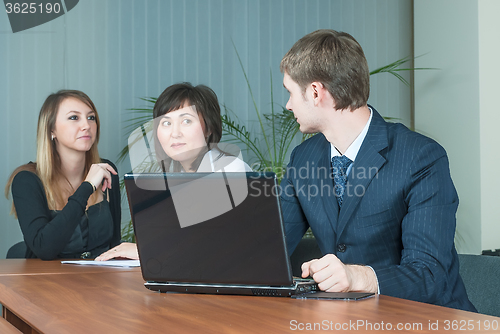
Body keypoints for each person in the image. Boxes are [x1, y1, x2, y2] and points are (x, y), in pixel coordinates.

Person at [279, 29, 476, 311]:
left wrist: (356, 276)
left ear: (314, 92)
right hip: (347, 319)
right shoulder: (303, 159)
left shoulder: (421, 158)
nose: (288, 105)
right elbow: (268, 249)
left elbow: (430, 274)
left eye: (290, 92)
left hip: (428, 319)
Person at [96, 83, 251, 261]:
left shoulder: (230, 169)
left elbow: (218, 246)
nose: (175, 133)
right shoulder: (170, 177)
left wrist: (146, 251)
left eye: (186, 121)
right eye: (166, 123)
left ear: (208, 128)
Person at [5, 90, 121, 260]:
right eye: (74, 117)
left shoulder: (105, 170)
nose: (86, 125)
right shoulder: (27, 180)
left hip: (101, 279)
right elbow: (44, 248)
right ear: (52, 129)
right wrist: (87, 187)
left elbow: (114, 243)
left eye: (91, 117)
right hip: (48, 281)